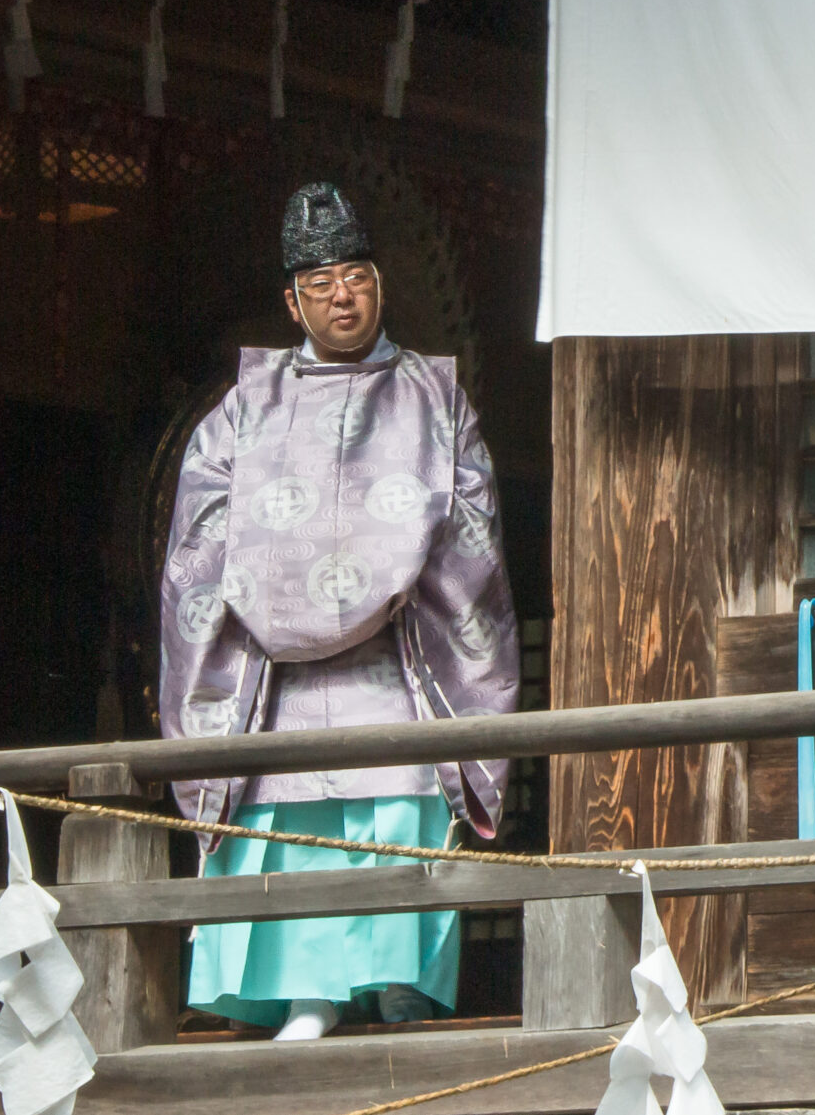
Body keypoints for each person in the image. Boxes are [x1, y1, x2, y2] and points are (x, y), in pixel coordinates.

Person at [159, 182, 520, 1040]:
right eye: (320, 284)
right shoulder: (242, 410)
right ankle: (306, 991)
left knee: (396, 807)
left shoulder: (436, 400)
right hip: (273, 678)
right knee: (286, 818)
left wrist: (393, 571)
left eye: (355, 276)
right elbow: (198, 544)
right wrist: (267, 587)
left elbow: (474, 538)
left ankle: (397, 985)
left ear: (381, 283)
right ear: (292, 300)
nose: (342, 295)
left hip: (398, 663)